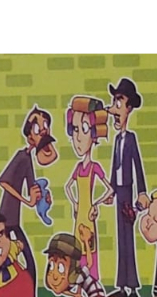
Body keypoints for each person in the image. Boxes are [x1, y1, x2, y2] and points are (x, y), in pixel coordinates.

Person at [0, 106, 57, 297]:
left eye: (45, 126)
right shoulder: (21, 156)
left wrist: (42, 199)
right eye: (37, 127)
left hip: (13, 224)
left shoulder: (29, 158)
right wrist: (24, 199)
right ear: (29, 134)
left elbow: (34, 190)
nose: (42, 130)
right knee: (19, 270)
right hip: (7, 225)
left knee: (26, 268)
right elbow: (4, 181)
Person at [107, 78, 149, 297]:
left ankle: (132, 287)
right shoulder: (116, 140)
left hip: (129, 194)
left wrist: (142, 191)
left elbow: (138, 166)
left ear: (129, 108)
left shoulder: (131, 138)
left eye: (119, 103)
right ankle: (122, 286)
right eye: (114, 102)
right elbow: (114, 168)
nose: (115, 109)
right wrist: (110, 190)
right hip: (119, 193)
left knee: (128, 239)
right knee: (120, 238)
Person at [64, 96, 112, 281]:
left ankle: (92, 279)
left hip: (89, 214)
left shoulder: (94, 167)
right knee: (78, 247)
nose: (78, 137)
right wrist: (74, 202)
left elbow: (109, 189)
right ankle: (78, 280)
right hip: (79, 213)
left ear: (94, 134)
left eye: (84, 129)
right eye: (75, 129)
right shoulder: (78, 168)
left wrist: (96, 204)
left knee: (89, 246)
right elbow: (68, 187)